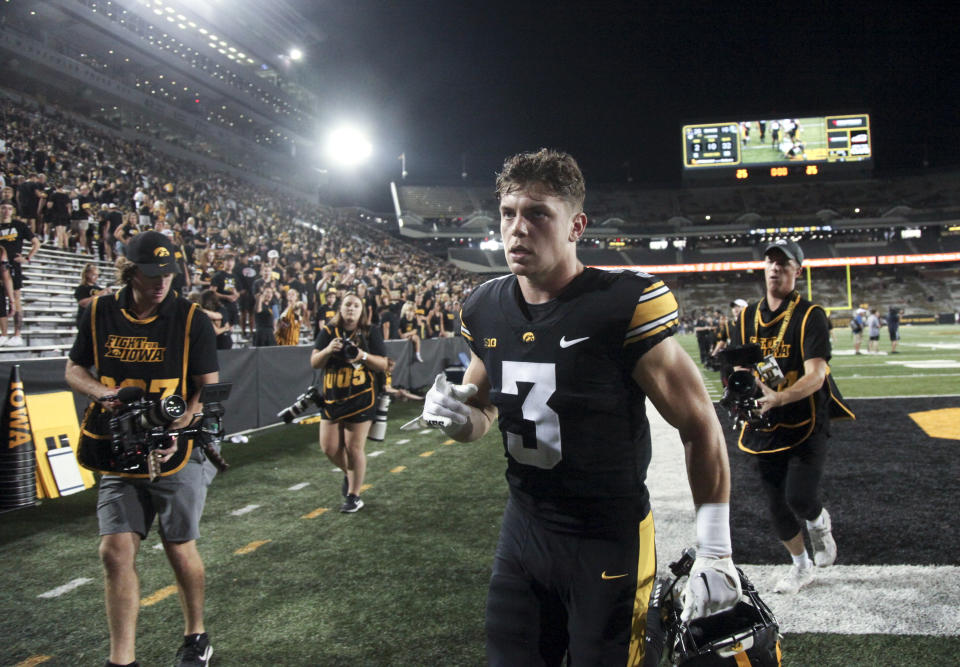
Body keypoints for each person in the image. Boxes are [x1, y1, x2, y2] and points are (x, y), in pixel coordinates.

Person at [410, 149, 740, 665]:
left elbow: (700, 424)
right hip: (524, 527)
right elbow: (482, 415)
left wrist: (716, 549)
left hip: (607, 535)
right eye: (508, 213)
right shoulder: (485, 307)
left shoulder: (619, 305)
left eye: (537, 213)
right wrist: (457, 420)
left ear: (575, 225)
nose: (518, 228)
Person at [64, 231, 220, 667]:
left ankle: (196, 634)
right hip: (121, 445)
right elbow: (74, 368)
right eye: (151, 274)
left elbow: (209, 391)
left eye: (168, 273)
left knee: (179, 545)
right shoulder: (98, 312)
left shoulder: (192, 319)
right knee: (114, 551)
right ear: (129, 271)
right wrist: (102, 393)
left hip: (178, 449)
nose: (161, 282)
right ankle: (122, 660)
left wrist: (180, 428)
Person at [729, 239, 854, 596]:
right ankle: (801, 567)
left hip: (805, 417)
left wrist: (780, 396)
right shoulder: (747, 317)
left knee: (798, 496)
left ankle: (818, 520)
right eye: (770, 262)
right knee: (774, 502)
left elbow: (817, 374)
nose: (774, 269)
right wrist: (743, 391)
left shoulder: (810, 314)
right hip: (765, 421)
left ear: (797, 272)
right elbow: (742, 365)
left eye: (783, 264)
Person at [311, 293, 389, 513]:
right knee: (329, 447)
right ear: (340, 308)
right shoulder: (328, 331)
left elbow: (383, 364)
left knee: (354, 448)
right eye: (347, 305)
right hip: (333, 396)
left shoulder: (370, 331)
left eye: (356, 305)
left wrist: (362, 356)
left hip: (362, 397)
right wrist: (328, 350)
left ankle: (354, 495)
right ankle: (351, 474)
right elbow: (314, 362)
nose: (351, 309)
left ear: (362, 310)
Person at [0, 198, 40, 346]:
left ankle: (17, 334)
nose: (6, 211)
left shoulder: (19, 225)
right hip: (0, 265)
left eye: (9, 209)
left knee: (16, 299)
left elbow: (36, 243)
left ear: (13, 211)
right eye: (3, 208)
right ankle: (3, 333)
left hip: (13, 266)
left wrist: (27, 258)